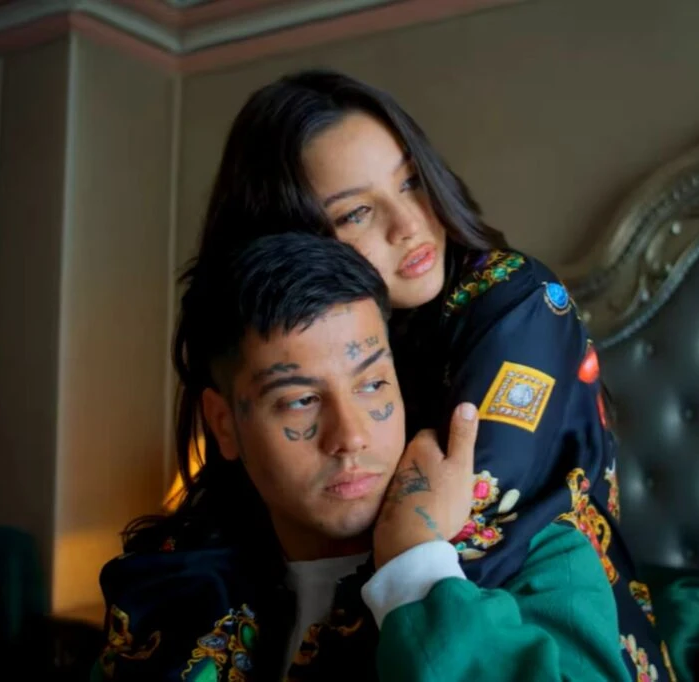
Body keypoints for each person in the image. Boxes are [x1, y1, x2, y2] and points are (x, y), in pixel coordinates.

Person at [187, 70, 674, 681]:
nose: (409, 223)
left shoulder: (518, 304)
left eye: (412, 181)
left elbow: (442, 519)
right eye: (357, 212)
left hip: (537, 621)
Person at [94, 232, 630, 681]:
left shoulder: (543, 562)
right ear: (224, 424)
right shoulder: (173, 593)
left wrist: (416, 566)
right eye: (300, 401)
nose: (350, 437)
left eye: (372, 385)